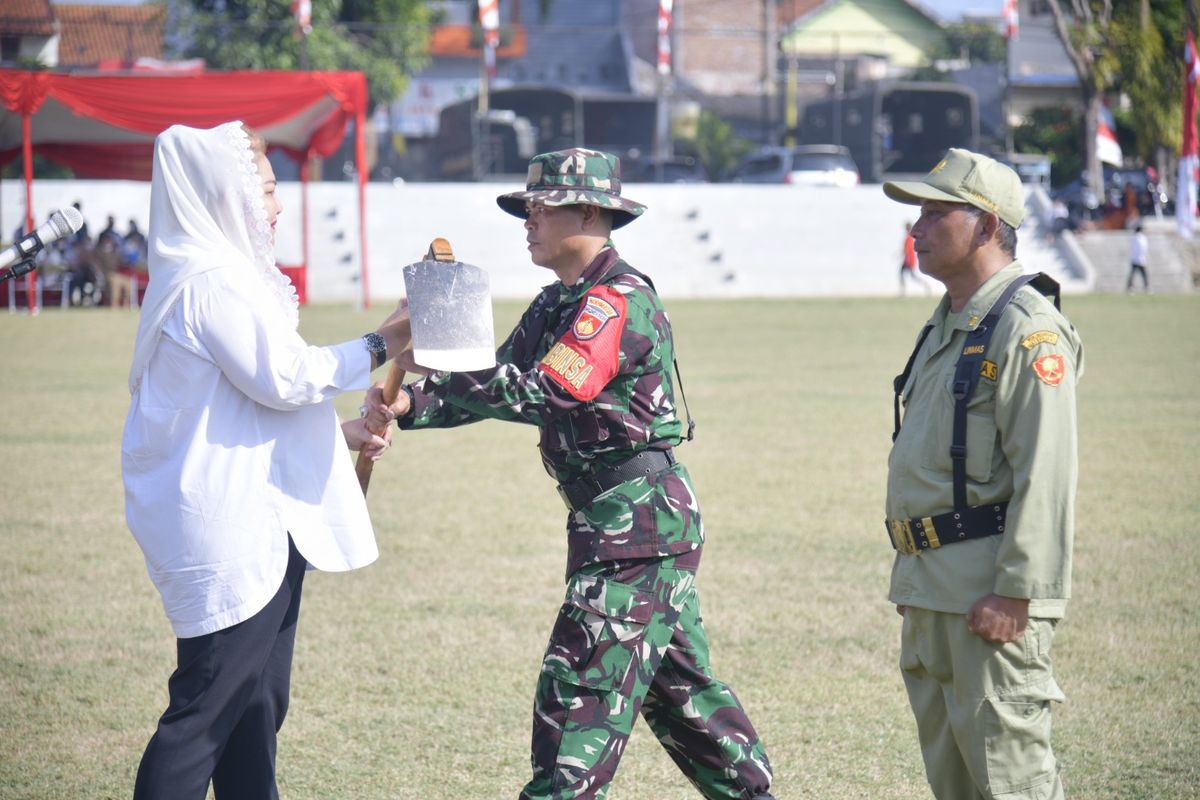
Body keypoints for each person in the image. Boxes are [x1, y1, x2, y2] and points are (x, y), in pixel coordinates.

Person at [365, 148, 775, 800]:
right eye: (525, 207)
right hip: (628, 524)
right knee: (684, 702)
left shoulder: (613, 303)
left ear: (588, 211)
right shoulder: (561, 301)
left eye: (541, 207)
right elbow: (500, 380)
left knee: (577, 697)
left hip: (633, 528)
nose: (527, 220)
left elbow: (546, 393)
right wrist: (413, 402)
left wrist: (435, 353)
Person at [122, 121, 409, 799]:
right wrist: (384, 338)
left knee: (253, 711)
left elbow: (245, 412)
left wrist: (339, 437)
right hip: (231, 533)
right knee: (206, 717)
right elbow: (286, 377)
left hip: (258, 525)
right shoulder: (209, 283)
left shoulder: (219, 281)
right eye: (267, 190)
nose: (276, 208)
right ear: (227, 194)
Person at [881, 148, 1084, 800]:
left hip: (987, 598)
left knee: (1012, 785)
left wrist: (1020, 593)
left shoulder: (1026, 331)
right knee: (958, 787)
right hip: (934, 593)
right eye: (919, 213)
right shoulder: (952, 322)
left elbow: (1046, 470)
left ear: (989, 226)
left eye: (937, 214)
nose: (918, 228)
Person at [899, 221, 927, 295]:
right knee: (905, 275)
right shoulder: (909, 238)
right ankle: (903, 291)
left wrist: (907, 260)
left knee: (911, 276)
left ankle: (925, 285)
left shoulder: (909, 238)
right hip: (908, 260)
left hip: (909, 261)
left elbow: (908, 250)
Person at [1127, 223, 1149, 292]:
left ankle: (1130, 287)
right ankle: (1146, 287)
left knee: (1133, 274)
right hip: (1140, 259)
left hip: (1135, 258)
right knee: (1143, 274)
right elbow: (1143, 249)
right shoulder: (1142, 238)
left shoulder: (1134, 237)